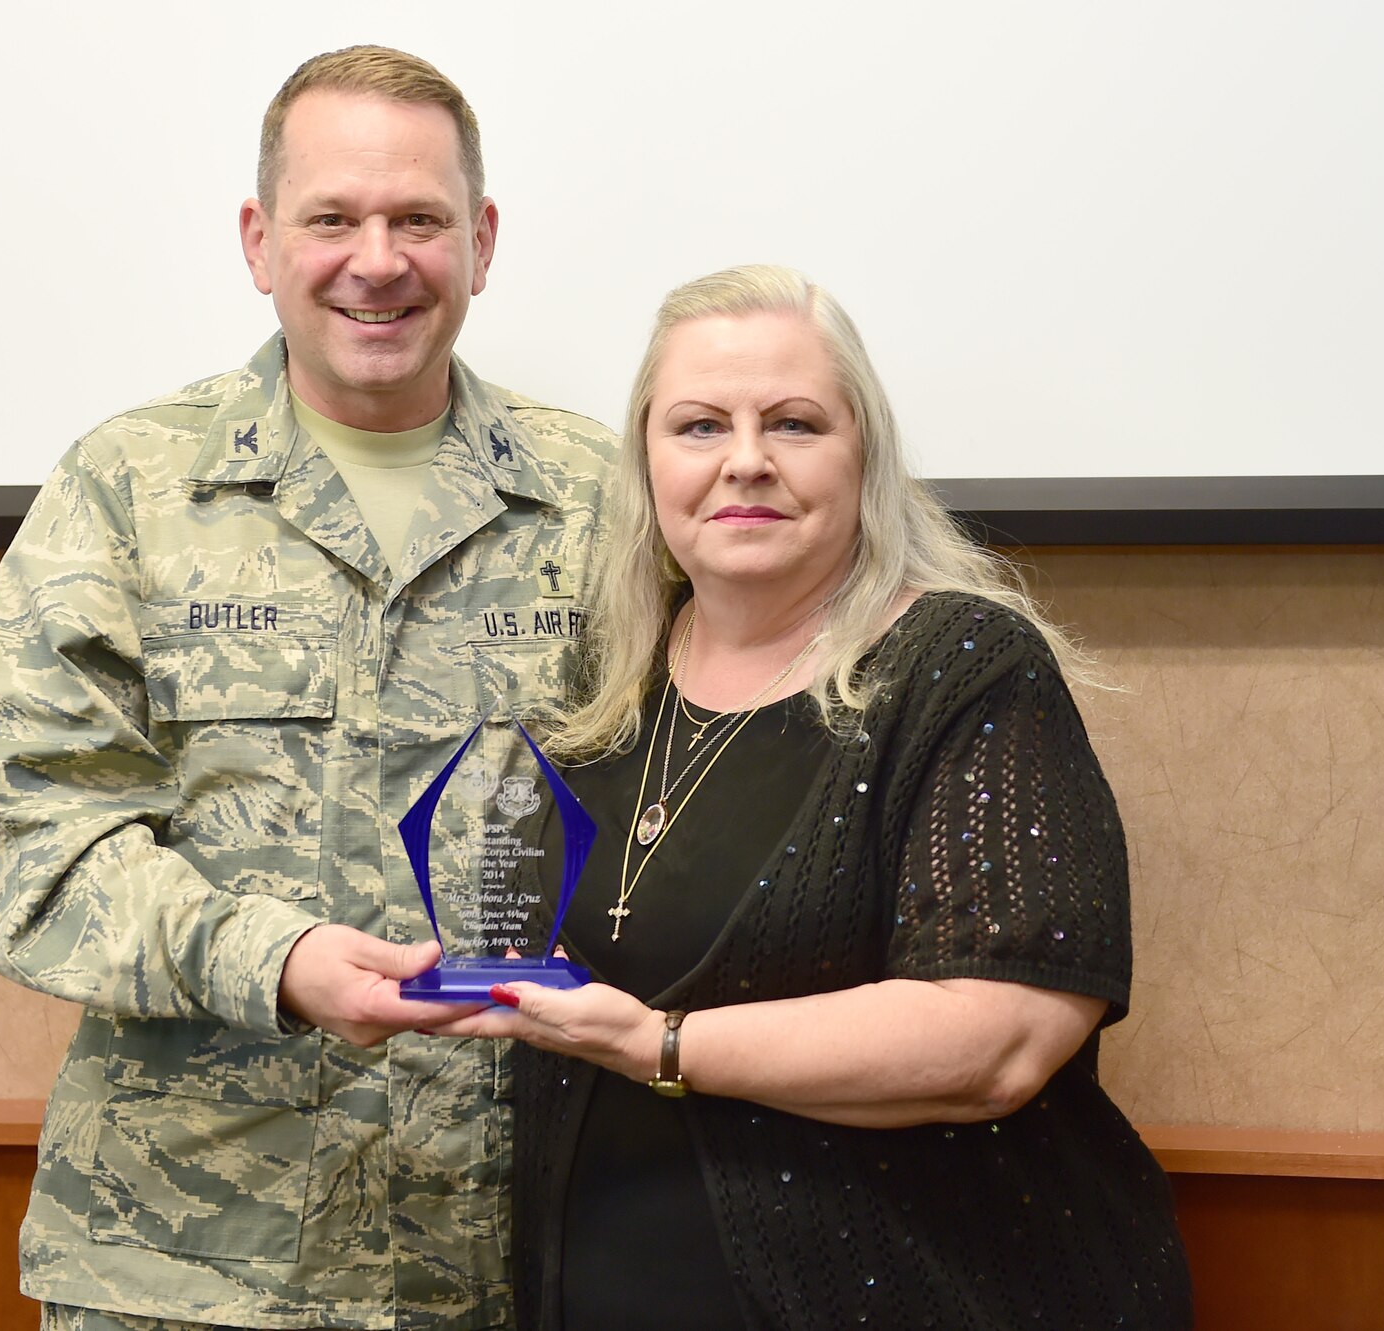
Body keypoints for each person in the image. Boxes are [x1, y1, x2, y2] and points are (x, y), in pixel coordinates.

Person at [0, 46, 616, 1331]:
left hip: (517, 1260)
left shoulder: (602, 498)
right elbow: (27, 842)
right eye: (332, 219)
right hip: (188, 1263)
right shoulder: (128, 488)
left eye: (418, 218)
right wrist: (282, 955)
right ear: (260, 241)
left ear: (479, 240)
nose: (378, 259)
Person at [432, 265, 1193, 1329]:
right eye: (698, 425)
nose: (744, 460)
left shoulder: (963, 666)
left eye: (792, 423)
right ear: (644, 461)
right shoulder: (598, 687)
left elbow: (995, 1042)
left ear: (862, 457)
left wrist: (658, 1042)